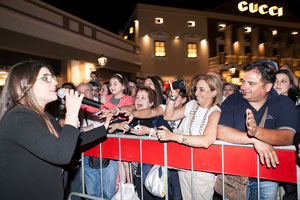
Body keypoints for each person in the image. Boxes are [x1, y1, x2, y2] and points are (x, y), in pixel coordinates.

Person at [0, 60, 112, 200]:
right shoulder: (18, 118)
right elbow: (61, 154)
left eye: (53, 78)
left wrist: (103, 128)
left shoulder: (45, 116)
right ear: (24, 84)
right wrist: (71, 113)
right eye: (46, 78)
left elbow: (69, 141)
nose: (54, 82)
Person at [217, 62, 298, 200]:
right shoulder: (233, 100)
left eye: (251, 83)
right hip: (234, 174)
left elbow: (288, 136)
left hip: (267, 176)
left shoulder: (282, 102)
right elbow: (221, 131)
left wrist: (257, 132)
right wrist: (253, 140)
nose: (243, 87)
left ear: (267, 87)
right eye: (243, 82)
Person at [157, 74, 222, 199]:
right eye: (196, 89)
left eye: (201, 89)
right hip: (185, 163)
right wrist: (173, 97)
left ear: (214, 92)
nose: (196, 93)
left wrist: (174, 136)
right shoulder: (192, 104)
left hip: (202, 168)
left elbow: (206, 140)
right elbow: (168, 116)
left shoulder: (215, 112)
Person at [77, 83, 117, 200]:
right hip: (87, 153)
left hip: (106, 152)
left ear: (92, 92)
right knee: (92, 192)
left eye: (86, 91)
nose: (83, 95)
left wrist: (84, 129)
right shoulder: (75, 107)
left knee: (108, 192)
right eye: (80, 93)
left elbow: (105, 126)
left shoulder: (102, 105)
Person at [274, 69, 299, 200]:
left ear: (290, 85)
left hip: (291, 154)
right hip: (274, 154)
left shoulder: (295, 105)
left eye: (283, 81)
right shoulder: (267, 103)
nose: (278, 84)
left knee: (292, 191)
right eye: (276, 81)